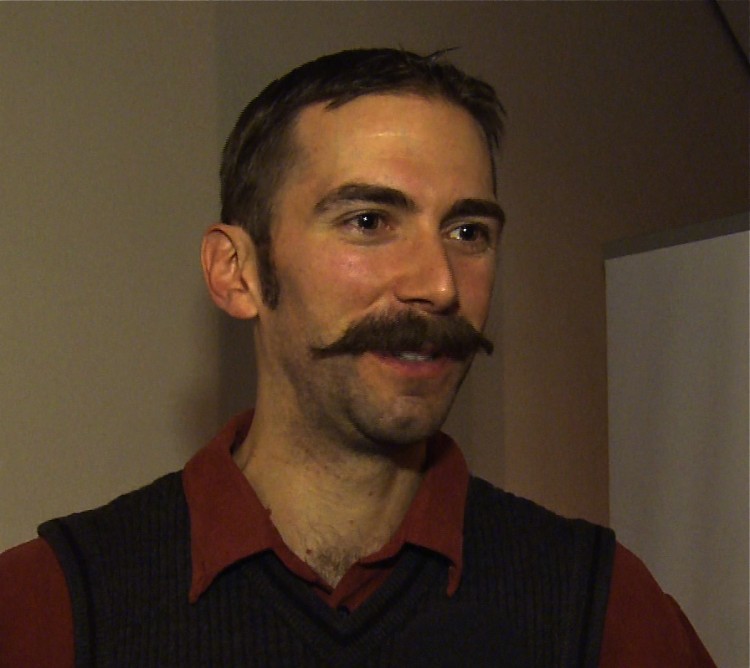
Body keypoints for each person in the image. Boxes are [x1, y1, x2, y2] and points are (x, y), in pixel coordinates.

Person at [0, 48, 714, 668]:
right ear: (236, 272)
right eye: (369, 221)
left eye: (468, 232)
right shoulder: (50, 607)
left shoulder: (600, 609)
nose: (439, 284)